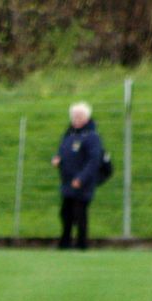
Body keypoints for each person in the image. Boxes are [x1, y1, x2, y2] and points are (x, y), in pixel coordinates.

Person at [51, 101, 103, 250]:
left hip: (82, 183)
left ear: (86, 117)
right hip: (67, 181)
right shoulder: (69, 134)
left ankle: (81, 244)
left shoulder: (92, 136)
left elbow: (94, 161)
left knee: (79, 213)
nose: (76, 119)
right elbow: (62, 151)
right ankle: (65, 242)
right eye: (74, 116)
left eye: (79, 116)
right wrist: (57, 159)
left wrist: (81, 178)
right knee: (65, 213)